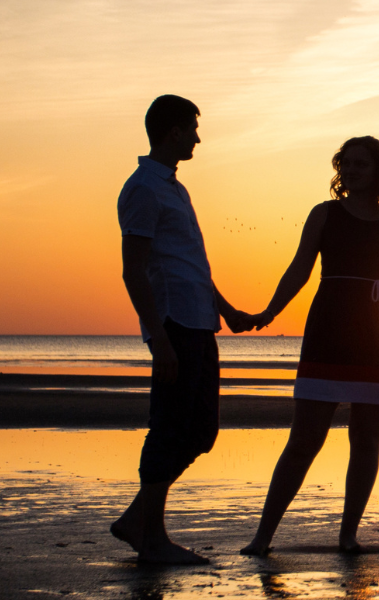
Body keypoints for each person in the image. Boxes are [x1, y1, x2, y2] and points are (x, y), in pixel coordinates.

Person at [239, 136, 379, 555]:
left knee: (367, 442)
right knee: (303, 441)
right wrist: (269, 312)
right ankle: (262, 538)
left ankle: (348, 535)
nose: (352, 171)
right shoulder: (325, 214)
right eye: (346, 163)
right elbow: (300, 268)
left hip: (378, 338)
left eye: (362, 164)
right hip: (329, 331)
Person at [111, 94, 252, 564]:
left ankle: (138, 520)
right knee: (168, 430)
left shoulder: (175, 188)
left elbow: (191, 263)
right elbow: (135, 270)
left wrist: (227, 310)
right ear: (172, 131)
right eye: (192, 127)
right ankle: (153, 540)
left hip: (200, 322)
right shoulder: (143, 189)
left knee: (201, 433)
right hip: (174, 325)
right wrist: (158, 340)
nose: (197, 136)